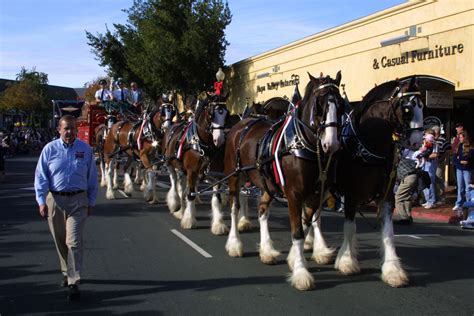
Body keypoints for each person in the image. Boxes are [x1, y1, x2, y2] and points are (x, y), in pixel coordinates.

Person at [34, 115, 98, 301]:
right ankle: (66, 270)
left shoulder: (85, 150)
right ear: (59, 130)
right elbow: (41, 176)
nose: (69, 132)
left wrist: (91, 201)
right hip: (55, 200)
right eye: (66, 128)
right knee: (60, 240)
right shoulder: (49, 149)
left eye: (72, 128)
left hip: (79, 201)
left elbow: (92, 177)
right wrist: (41, 201)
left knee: (74, 241)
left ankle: (73, 281)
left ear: (76, 129)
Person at [395, 147, 419, 224]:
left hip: (408, 178)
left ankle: (404, 218)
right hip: (412, 177)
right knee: (406, 197)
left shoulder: (400, 161)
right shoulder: (406, 159)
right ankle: (408, 216)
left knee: (398, 197)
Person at [452, 130, 474, 215]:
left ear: (465, 137)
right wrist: (460, 161)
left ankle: (469, 204)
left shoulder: (471, 148)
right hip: (459, 169)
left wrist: (466, 161)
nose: (460, 139)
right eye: (459, 137)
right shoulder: (459, 146)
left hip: (467, 170)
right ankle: (459, 203)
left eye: (461, 137)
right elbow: (454, 158)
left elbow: (470, 159)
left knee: (468, 188)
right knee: (460, 187)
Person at [431, 125, 450, 204]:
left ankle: (442, 197)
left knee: (439, 178)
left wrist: (443, 158)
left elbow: (448, 150)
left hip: (439, 162)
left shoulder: (443, 140)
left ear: (437, 131)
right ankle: (435, 196)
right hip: (432, 162)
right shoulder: (432, 140)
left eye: (433, 131)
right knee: (433, 179)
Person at [419, 132, 438, 209]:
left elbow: (435, 154)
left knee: (430, 183)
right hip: (424, 164)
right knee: (424, 182)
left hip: (430, 164)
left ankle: (432, 201)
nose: (426, 140)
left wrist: (426, 156)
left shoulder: (435, 145)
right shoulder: (425, 144)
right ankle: (428, 200)